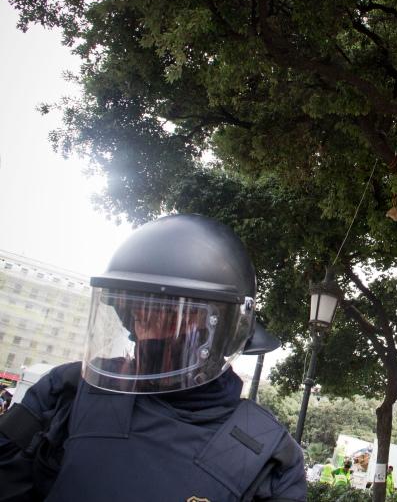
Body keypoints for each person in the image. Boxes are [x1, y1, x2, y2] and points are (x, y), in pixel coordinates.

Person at [0, 213, 306, 501]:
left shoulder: (270, 455)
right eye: (140, 315)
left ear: (222, 329)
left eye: (171, 316)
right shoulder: (67, 390)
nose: (150, 332)